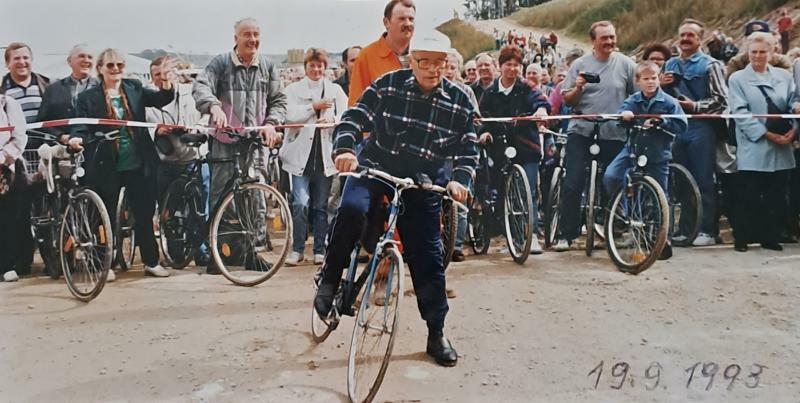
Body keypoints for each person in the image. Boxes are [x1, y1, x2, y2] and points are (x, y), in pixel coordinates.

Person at [313, 32, 477, 367]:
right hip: (377, 165)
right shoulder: (389, 85)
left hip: (423, 178)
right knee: (351, 208)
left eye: (439, 63)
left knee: (428, 255)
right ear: (411, 61)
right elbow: (355, 118)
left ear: (448, 64)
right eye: (424, 62)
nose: (432, 70)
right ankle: (329, 279)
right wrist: (345, 148)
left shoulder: (460, 100)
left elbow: (468, 150)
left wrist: (460, 181)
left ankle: (436, 332)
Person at [68, 48, 176, 280]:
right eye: (110, 66)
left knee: (144, 213)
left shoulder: (134, 87)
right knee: (103, 214)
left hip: (138, 161)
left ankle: (151, 261)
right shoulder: (88, 97)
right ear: (100, 69)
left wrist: (166, 82)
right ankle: (105, 262)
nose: (116, 69)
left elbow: (161, 99)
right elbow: (80, 125)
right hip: (106, 163)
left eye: (120, 65)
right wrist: (77, 138)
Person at [193, 18, 287, 273]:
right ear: (235, 38)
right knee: (221, 195)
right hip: (224, 142)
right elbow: (201, 86)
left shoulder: (267, 66)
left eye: (256, 34)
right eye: (247, 34)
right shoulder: (221, 63)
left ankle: (252, 253)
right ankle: (217, 253)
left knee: (256, 195)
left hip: (255, 143)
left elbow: (279, 100)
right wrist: (213, 106)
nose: (252, 40)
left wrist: (271, 122)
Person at [554, 21, 635, 251]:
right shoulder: (579, 65)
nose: (609, 42)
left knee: (612, 180)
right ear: (593, 41)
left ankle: (614, 228)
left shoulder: (626, 64)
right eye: (604, 38)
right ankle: (566, 233)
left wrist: (628, 114)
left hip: (614, 131)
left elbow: (636, 95)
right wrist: (578, 87)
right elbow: (567, 100)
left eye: (612, 37)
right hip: (582, 130)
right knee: (573, 182)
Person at [604, 61, 688, 260]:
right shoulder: (633, 100)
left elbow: (682, 125)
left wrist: (662, 121)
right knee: (611, 175)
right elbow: (620, 114)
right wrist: (624, 116)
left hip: (658, 154)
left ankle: (661, 238)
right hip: (633, 150)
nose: (650, 82)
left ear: (659, 79)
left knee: (661, 195)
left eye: (654, 78)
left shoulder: (669, 102)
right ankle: (622, 211)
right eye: (646, 79)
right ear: (638, 81)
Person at [729, 32, 799, 252]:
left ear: (772, 53)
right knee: (748, 194)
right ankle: (742, 237)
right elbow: (739, 113)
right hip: (754, 143)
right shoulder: (737, 79)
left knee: (777, 194)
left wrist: (794, 131)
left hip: (783, 145)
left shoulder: (785, 77)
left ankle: (770, 236)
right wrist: (766, 134)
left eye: (762, 52)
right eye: (753, 52)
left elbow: (793, 103)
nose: (757, 56)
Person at [662, 19, 728, 247]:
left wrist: (695, 106)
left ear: (700, 39)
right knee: (680, 181)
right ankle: (686, 229)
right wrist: (660, 85)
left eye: (690, 35)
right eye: (682, 35)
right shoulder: (669, 65)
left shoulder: (711, 65)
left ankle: (707, 230)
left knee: (703, 180)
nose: (685, 39)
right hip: (676, 129)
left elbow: (721, 100)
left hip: (702, 128)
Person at [478, 45, 549, 255]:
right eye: (508, 64)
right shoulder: (490, 92)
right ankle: (512, 237)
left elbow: (540, 101)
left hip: (527, 147)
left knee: (529, 191)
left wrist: (541, 110)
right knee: (505, 193)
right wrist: (484, 132)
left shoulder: (527, 87)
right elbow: (482, 117)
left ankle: (532, 236)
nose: (513, 69)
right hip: (501, 150)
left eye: (516, 65)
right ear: (500, 67)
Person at [282, 48, 347, 266]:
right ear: (305, 66)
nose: (316, 69)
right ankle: (297, 248)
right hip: (300, 157)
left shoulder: (335, 90)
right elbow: (289, 116)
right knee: (300, 203)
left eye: (320, 66)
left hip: (324, 157)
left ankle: (320, 248)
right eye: (312, 65)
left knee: (321, 206)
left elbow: (345, 115)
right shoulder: (293, 90)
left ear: (325, 67)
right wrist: (313, 108)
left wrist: (330, 122)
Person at [145, 56, 210, 266]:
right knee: (169, 211)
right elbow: (141, 125)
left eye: (166, 73)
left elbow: (206, 115)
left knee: (199, 207)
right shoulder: (147, 100)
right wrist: (157, 130)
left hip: (193, 156)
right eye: (157, 75)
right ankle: (175, 252)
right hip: (166, 160)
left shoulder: (190, 92)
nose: (162, 79)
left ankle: (201, 250)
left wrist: (196, 129)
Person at [444, 48, 480, 263]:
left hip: (458, 153)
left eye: (453, 67)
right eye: (446, 66)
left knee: (460, 200)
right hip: (438, 155)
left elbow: (475, 118)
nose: (449, 71)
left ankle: (456, 245)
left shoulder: (465, 91)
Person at [347, 0, 416, 106]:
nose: (408, 23)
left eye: (411, 19)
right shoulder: (366, 57)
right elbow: (355, 104)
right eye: (401, 19)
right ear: (386, 22)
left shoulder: (422, 56)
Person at [0, 94, 28, 282]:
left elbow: (19, 137)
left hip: (6, 169)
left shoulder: (9, 104)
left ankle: (8, 265)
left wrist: (2, 158)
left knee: (8, 218)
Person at [1, 43, 50, 128]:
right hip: (14, 140)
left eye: (25, 57)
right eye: (16, 58)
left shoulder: (48, 86)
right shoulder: (2, 90)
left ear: (31, 60)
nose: (22, 62)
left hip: (44, 139)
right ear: (7, 63)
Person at [726, 20, 792, 79]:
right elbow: (732, 85)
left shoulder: (781, 61)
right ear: (745, 41)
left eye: (761, 38)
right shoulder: (736, 63)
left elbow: (787, 84)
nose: (756, 42)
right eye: (751, 39)